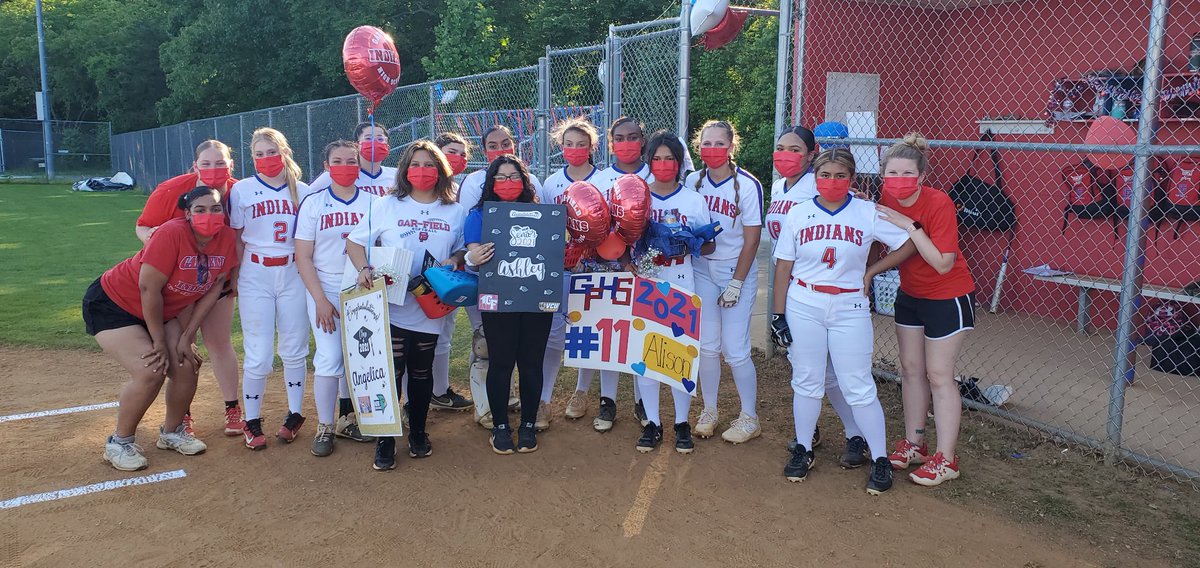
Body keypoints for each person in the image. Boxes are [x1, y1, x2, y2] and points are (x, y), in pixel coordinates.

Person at [769, 148, 915, 494]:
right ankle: (804, 448)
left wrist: (873, 271)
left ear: (851, 179)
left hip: (849, 304)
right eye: (825, 175)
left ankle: (879, 457)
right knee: (807, 380)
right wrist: (778, 314)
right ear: (815, 177)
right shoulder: (799, 212)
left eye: (840, 176)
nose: (832, 182)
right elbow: (784, 266)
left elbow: (908, 242)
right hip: (805, 301)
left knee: (858, 384)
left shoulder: (866, 211)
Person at [90, 187, 239, 471]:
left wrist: (187, 336)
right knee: (151, 370)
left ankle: (172, 432)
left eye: (216, 209)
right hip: (115, 303)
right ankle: (119, 442)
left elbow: (214, 288)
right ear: (187, 214)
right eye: (200, 210)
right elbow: (148, 288)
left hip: (163, 311)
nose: (209, 215)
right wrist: (159, 340)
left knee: (186, 364)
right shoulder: (171, 233)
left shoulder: (227, 238)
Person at [346, 139, 466, 471]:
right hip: (393, 301)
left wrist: (455, 260)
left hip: (429, 300)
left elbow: (460, 249)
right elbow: (355, 242)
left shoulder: (454, 210)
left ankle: (418, 432)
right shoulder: (386, 204)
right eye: (415, 164)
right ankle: (385, 437)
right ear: (405, 169)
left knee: (421, 369)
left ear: (440, 170)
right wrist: (364, 269)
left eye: (429, 165)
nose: (421, 170)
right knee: (392, 370)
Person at [876, 133, 977, 487]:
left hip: (948, 296)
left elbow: (943, 262)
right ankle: (915, 444)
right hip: (911, 294)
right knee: (911, 369)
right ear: (883, 175)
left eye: (907, 174)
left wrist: (909, 225)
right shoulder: (887, 197)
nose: (898, 180)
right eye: (892, 173)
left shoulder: (939, 202)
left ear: (921, 177)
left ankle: (947, 459)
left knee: (939, 375)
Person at [767, 126, 869, 468]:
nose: (786, 155)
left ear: (811, 155)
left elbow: (856, 214)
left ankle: (854, 434)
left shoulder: (819, 183)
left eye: (795, 149)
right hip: (796, 292)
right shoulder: (779, 186)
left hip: (825, 292)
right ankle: (816, 432)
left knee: (829, 375)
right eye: (781, 147)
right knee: (809, 372)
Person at [134, 140, 242, 438]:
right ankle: (182, 415)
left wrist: (234, 276)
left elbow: (239, 239)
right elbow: (143, 226)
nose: (213, 169)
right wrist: (158, 245)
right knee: (183, 345)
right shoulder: (171, 189)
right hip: (180, 284)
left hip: (218, 278)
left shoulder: (240, 191)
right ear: (194, 166)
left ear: (231, 165)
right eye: (206, 164)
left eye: (220, 163)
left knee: (219, 342)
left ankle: (232, 408)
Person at [564, 116, 653, 432]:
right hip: (604, 268)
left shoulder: (654, 173)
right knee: (609, 335)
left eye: (633, 136)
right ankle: (608, 401)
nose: (626, 143)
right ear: (611, 143)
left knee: (641, 336)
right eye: (619, 138)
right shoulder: (600, 179)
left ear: (642, 140)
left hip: (647, 268)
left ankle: (644, 402)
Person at [229, 127, 314, 450]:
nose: (266, 159)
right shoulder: (242, 190)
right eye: (259, 154)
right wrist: (235, 276)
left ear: (285, 153)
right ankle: (251, 419)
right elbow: (237, 239)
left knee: (294, 347)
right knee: (259, 354)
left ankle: (295, 413)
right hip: (255, 272)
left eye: (271, 152)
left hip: (293, 271)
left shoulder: (303, 191)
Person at [463, 154, 554, 455]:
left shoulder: (543, 215)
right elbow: (473, 254)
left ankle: (527, 424)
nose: (507, 182)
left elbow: (555, 248)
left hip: (536, 296)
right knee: (501, 363)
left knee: (531, 363)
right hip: (498, 297)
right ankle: (500, 425)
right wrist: (472, 257)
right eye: (500, 177)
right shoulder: (479, 215)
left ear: (524, 181)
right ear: (491, 182)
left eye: (514, 176)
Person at [294, 140, 377, 456]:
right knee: (330, 356)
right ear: (327, 167)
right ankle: (325, 425)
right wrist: (320, 300)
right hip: (325, 287)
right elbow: (303, 257)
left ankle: (349, 418)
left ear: (359, 165)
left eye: (351, 160)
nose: (345, 166)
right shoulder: (314, 203)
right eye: (337, 161)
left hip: (361, 288)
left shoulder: (374, 202)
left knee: (359, 354)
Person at [633, 130, 714, 454]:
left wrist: (689, 242)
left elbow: (709, 245)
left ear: (679, 163)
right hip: (647, 278)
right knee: (646, 353)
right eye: (657, 158)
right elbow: (622, 239)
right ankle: (652, 422)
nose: (663, 164)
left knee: (680, 353)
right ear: (648, 161)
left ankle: (682, 422)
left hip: (681, 277)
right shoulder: (638, 195)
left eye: (670, 158)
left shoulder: (693, 200)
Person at [685, 120, 763, 444]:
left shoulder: (747, 184)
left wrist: (737, 282)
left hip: (735, 269)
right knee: (707, 345)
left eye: (720, 143)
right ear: (698, 146)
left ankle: (749, 417)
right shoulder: (693, 180)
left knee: (735, 349)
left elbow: (752, 239)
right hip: (702, 269)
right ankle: (710, 410)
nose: (713, 149)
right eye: (707, 143)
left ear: (731, 146)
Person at [531, 117, 602, 431]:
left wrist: (589, 252)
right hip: (560, 266)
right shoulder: (551, 183)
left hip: (595, 265)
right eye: (569, 144)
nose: (574, 149)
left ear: (592, 147)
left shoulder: (604, 179)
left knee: (587, 331)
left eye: (581, 144)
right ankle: (544, 399)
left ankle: (581, 391)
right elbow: (547, 227)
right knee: (553, 334)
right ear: (560, 147)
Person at [411, 132, 474, 413]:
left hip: (447, 278)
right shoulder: (408, 194)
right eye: (450, 151)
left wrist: (456, 258)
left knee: (443, 333)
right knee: (410, 339)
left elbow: (461, 241)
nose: (456, 158)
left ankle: (439, 390)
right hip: (412, 278)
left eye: (462, 154)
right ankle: (414, 400)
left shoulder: (457, 192)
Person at [310, 122, 396, 197]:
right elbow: (308, 197)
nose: (375, 143)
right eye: (368, 138)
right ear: (357, 144)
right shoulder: (336, 175)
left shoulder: (396, 175)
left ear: (387, 145)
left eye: (380, 139)